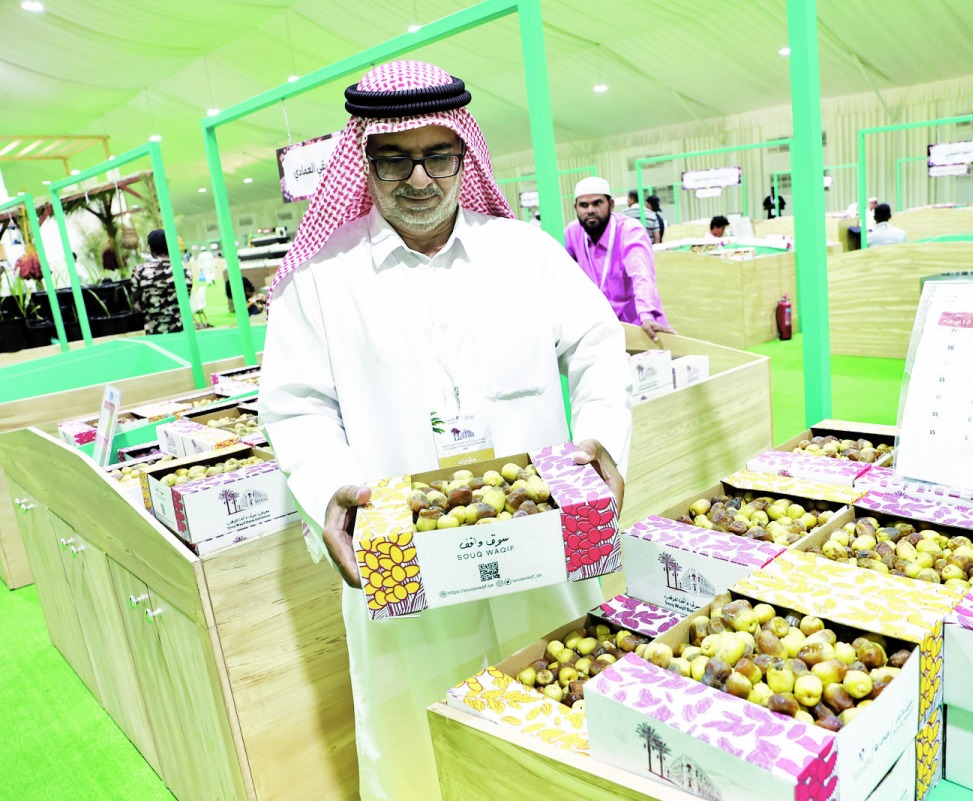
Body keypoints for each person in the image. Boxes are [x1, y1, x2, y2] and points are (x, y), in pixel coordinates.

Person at [257, 61, 632, 801]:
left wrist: (601, 438)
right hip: (404, 565)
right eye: (393, 159)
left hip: (541, 549)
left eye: (439, 155)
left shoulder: (524, 252)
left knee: (558, 710)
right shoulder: (321, 280)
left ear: (466, 153)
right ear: (363, 161)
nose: (420, 178)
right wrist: (330, 488)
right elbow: (296, 406)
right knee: (415, 739)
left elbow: (598, 344)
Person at [566, 176, 675, 343]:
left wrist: (646, 314)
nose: (590, 210)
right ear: (576, 207)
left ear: (610, 204)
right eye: (584, 205)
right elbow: (565, 276)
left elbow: (641, 274)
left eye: (597, 203)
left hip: (639, 327)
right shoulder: (573, 233)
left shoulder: (629, 231)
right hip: (601, 330)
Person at [130, 229, 190, 335]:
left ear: (151, 248)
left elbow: (135, 302)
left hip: (154, 331)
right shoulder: (183, 271)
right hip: (180, 329)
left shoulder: (140, 271)